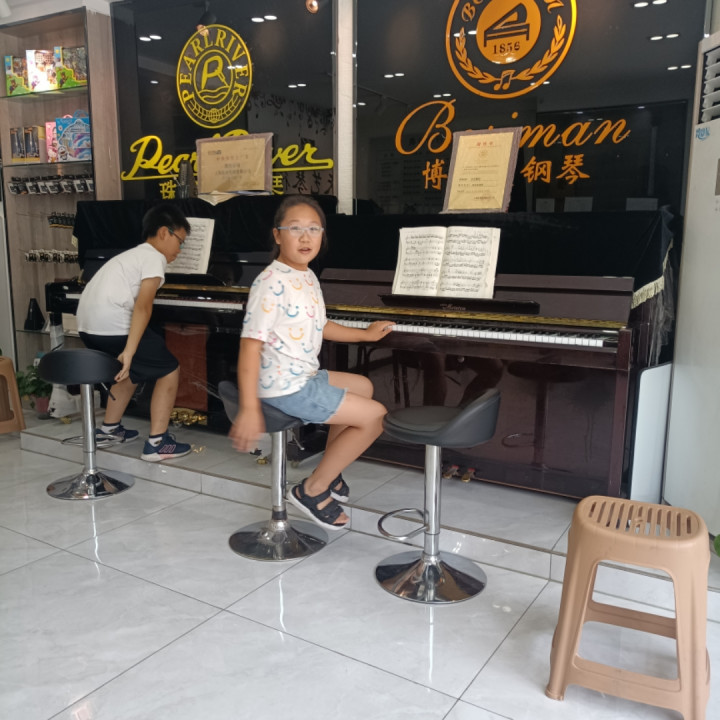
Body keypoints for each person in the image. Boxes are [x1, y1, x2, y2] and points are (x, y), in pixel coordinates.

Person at [230, 196, 394, 530]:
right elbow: (249, 346)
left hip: (303, 375)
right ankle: (312, 490)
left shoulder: (305, 275)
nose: (306, 237)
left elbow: (321, 325)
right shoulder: (271, 283)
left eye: (314, 229)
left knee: (363, 386)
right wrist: (248, 408)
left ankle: (330, 473)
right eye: (295, 229)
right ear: (277, 235)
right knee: (376, 416)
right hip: (285, 386)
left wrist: (365, 335)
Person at [76, 203, 193, 462]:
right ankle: (157, 443)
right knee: (169, 368)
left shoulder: (131, 255)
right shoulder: (153, 257)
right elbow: (143, 306)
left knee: (129, 371)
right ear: (164, 232)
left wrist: (129, 355)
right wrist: (129, 350)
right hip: (114, 325)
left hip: (88, 327)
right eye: (180, 241)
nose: (180, 250)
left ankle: (109, 430)